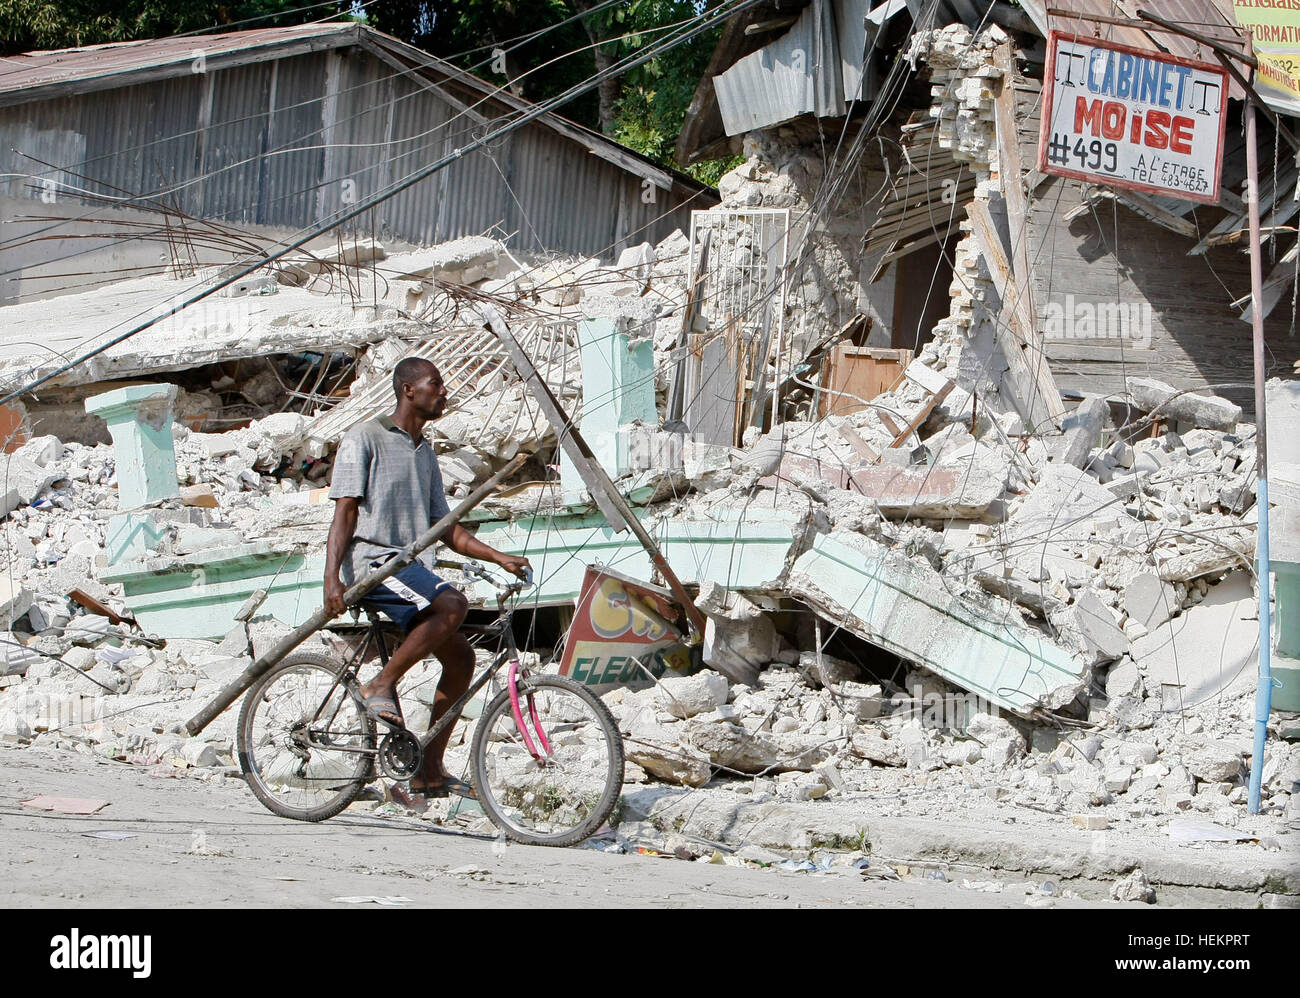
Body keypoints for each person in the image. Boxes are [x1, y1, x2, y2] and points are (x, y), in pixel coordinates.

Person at [323, 356, 531, 799]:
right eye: (436, 384)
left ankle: (427, 770)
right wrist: (332, 581)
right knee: (453, 603)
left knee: (462, 660)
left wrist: (499, 556)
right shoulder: (366, 437)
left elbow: (446, 528)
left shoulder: (425, 453)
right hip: (375, 565)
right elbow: (344, 512)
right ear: (408, 390)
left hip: (410, 568)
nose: (444, 392)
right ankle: (380, 683)